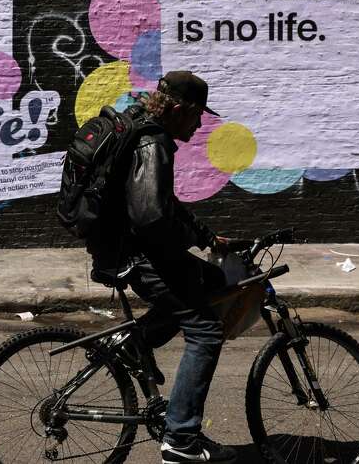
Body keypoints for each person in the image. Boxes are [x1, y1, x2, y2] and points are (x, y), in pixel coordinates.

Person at [86, 71, 237, 463]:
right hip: (136, 255)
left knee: (211, 279)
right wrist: (182, 255)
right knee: (205, 330)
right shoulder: (153, 143)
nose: (200, 123)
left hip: (122, 249)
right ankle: (181, 440)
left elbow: (161, 203)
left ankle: (134, 344)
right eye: (196, 115)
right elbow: (152, 217)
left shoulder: (141, 128)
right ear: (176, 109)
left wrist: (204, 237)